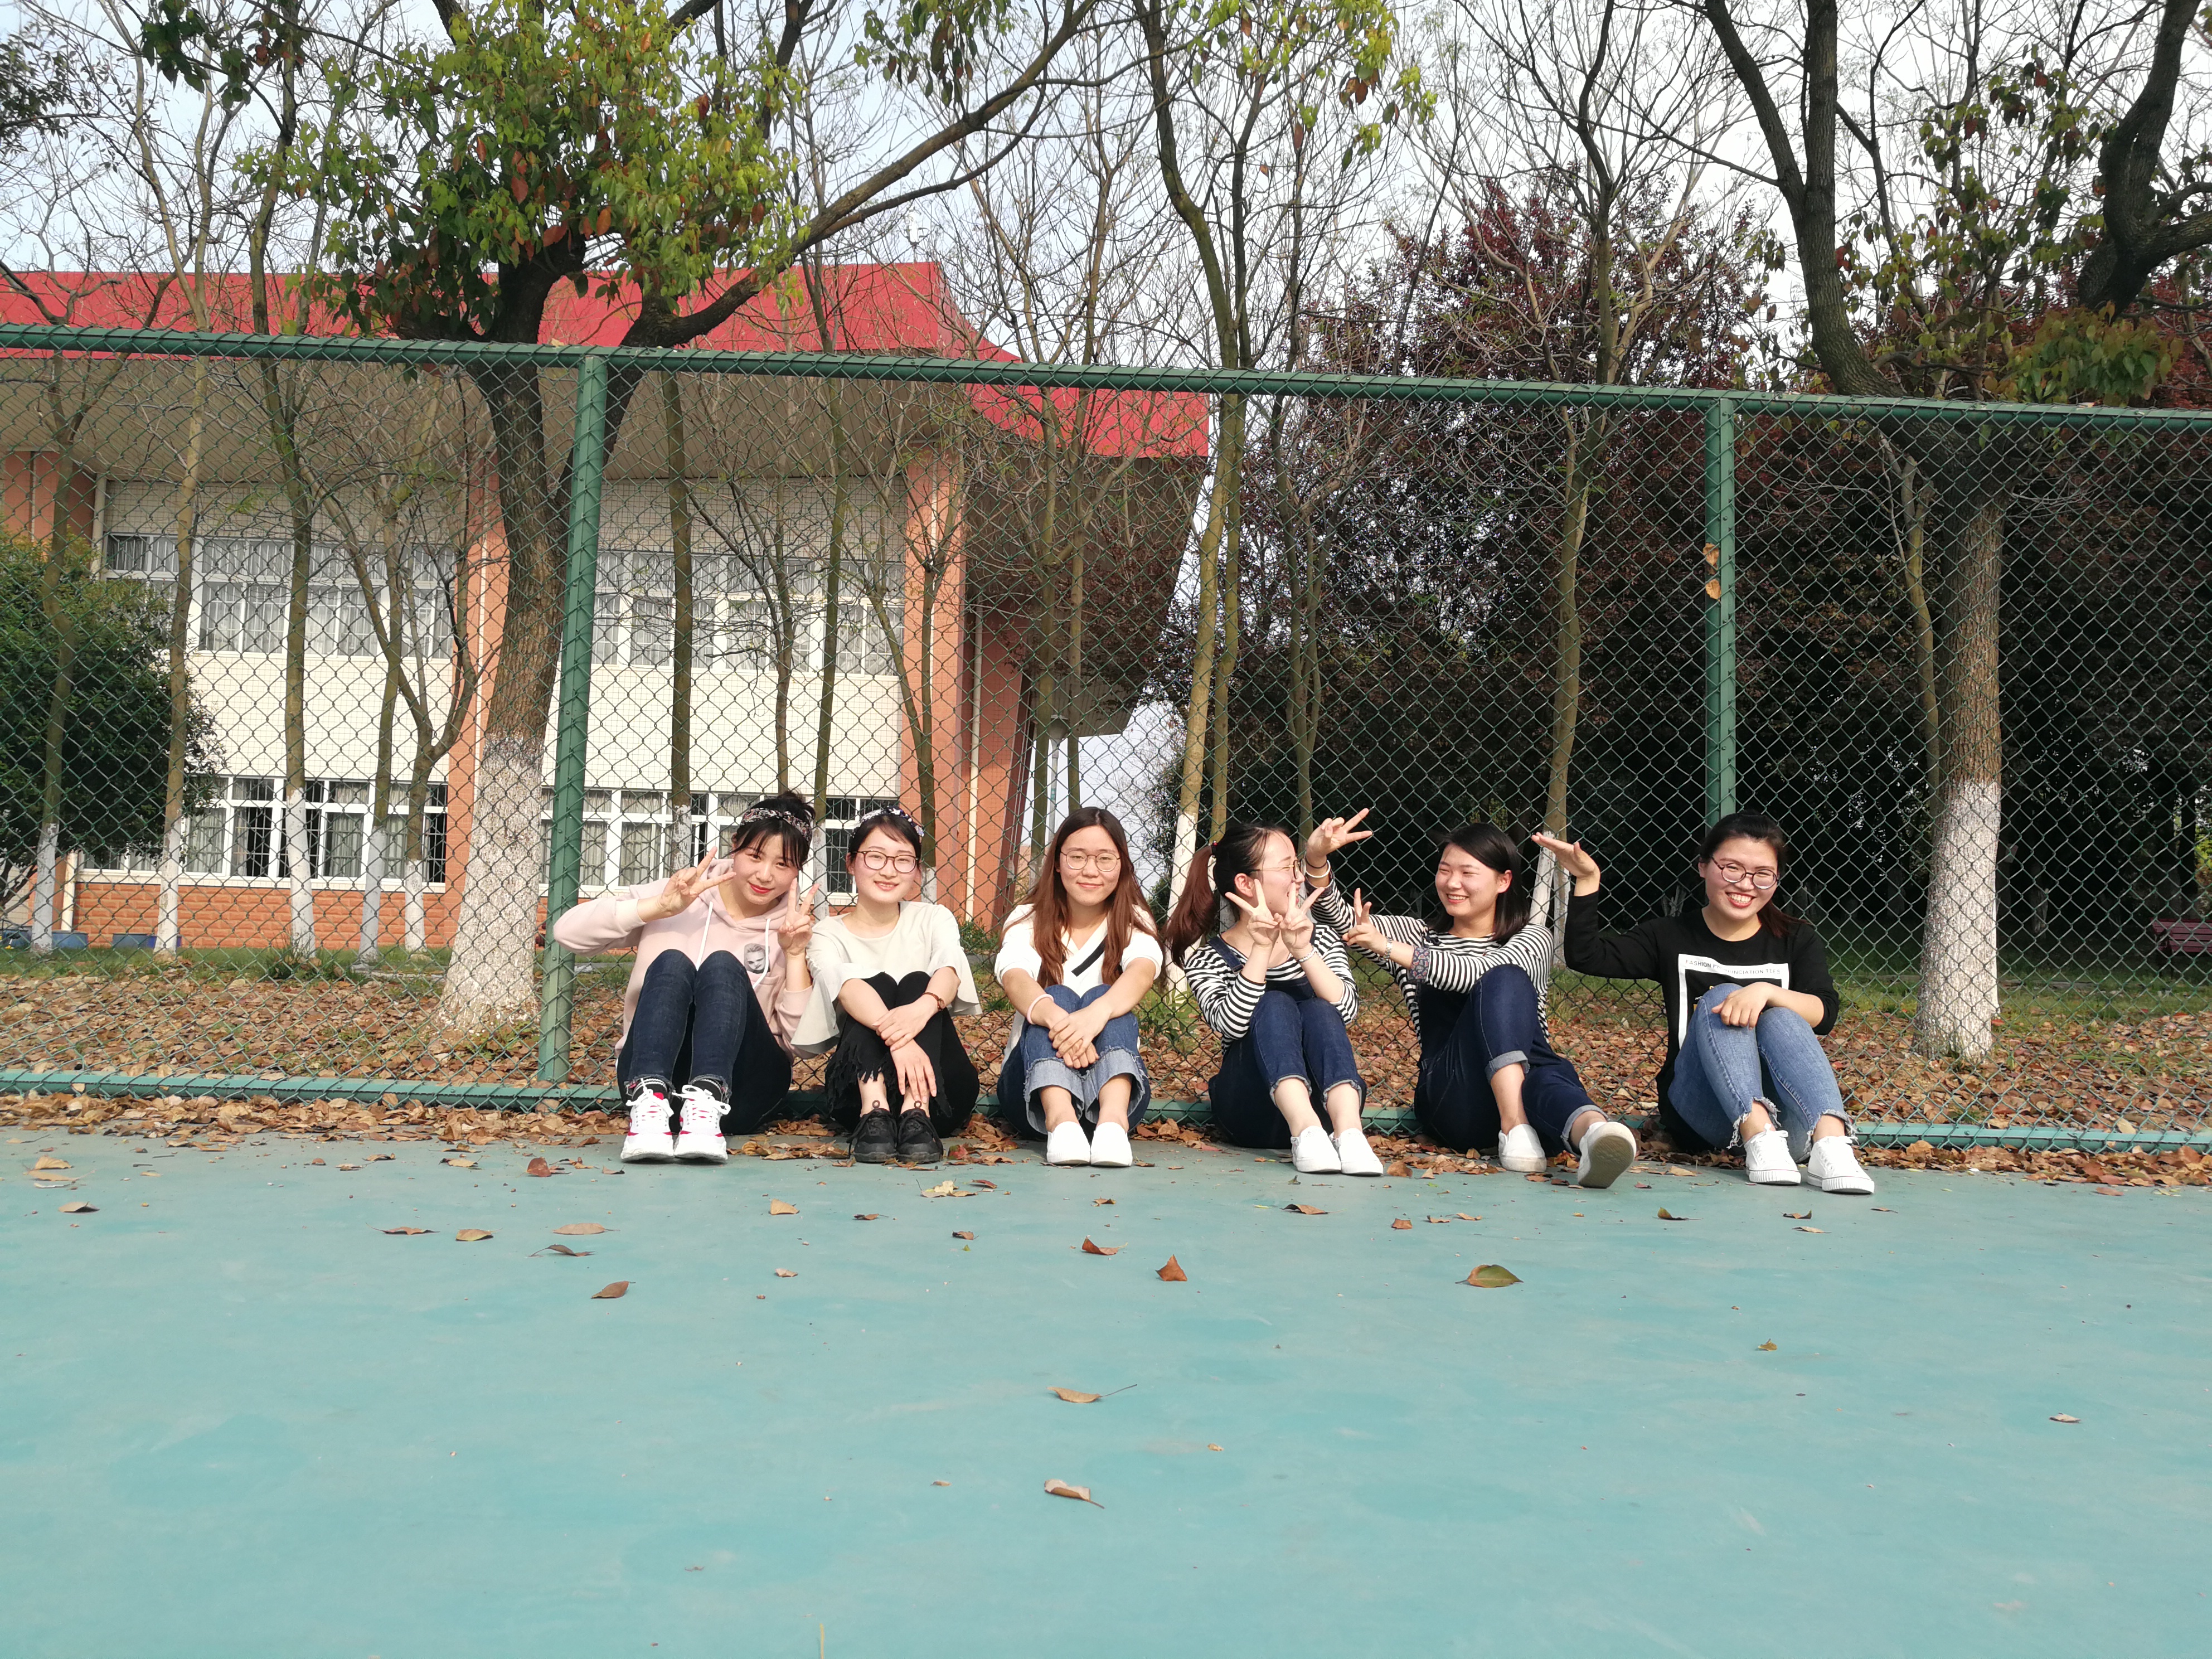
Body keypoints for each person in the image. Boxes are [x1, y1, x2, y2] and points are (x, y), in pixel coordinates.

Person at [1541, 812, 1876, 1194]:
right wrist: (1587, 880)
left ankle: (1832, 1146)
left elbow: (1825, 1013)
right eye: (1731, 868)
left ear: (1776, 879)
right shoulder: (1670, 936)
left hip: (1790, 1128)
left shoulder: (1796, 939)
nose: (1745, 884)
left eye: (1762, 874)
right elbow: (1587, 956)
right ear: (1703, 866)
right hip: (1700, 1111)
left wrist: (1766, 992)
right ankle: (1758, 1135)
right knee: (1720, 996)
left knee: (1782, 1016)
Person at [1304, 811, 1639, 1189]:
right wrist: (1316, 860)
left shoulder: (1532, 938)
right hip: (1455, 1099)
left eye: (1468, 873)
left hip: (1529, 1089)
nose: (1452, 883)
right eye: (1445, 870)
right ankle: (1516, 1126)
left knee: (1528, 1035)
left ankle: (1594, 1136)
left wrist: (1390, 948)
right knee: (1517, 1013)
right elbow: (1339, 918)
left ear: (1503, 881)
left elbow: (1475, 974)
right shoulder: (1417, 936)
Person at [551, 792, 819, 1165]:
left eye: (783, 864)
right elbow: (567, 934)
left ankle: (708, 1102)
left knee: (722, 965)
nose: (765, 875)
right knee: (672, 962)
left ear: (798, 870)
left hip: (742, 1091)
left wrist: (794, 954)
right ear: (735, 846)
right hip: (655, 1084)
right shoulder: (681, 893)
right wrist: (659, 907)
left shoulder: (797, 926)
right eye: (755, 856)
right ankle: (649, 1107)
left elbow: (803, 1045)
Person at [1162, 819, 1383, 1176]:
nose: (1298, 877)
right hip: (1251, 1112)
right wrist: (1262, 949)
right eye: (1286, 868)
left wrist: (1304, 951)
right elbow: (1231, 1026)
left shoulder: (1321, 939)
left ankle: (1350, 1134)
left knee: (1319, 1009)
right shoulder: (1209, 957)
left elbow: (1346, 1013)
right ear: (1245, 883)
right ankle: (1304, 1129)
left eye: (1297, 865)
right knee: (1274, 1002)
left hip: (1325, 1107)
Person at [794, 805, 981, 1165]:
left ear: (917, 871)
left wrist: (920, 1009)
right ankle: (875, 1110)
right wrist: (901, 1039)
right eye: (876, 857)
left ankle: (916, 1111)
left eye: (903, 860)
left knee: (917, 982)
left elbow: (950, 971)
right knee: (871, 983)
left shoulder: (934, 918)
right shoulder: (826, 933)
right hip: (856, 1097)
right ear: (851, 863)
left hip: (940, 1092)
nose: (889, 870)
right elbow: (847, 989)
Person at [993, 808, 1162, 1169]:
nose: (1090, 871)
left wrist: (1095, 1015)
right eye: (1078, 857)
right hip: (1032, 1095)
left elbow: (1142, 972)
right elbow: (1015, 976)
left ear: (1122, 865)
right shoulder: (1026, 918)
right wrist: (1060, 1021)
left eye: (1105, 859)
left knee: (1106, 996)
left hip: (1115, 1092)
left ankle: (1112, 1127)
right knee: (1055, 996)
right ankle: (1062, 1123)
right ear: (1057, 862)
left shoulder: (1134, 919)